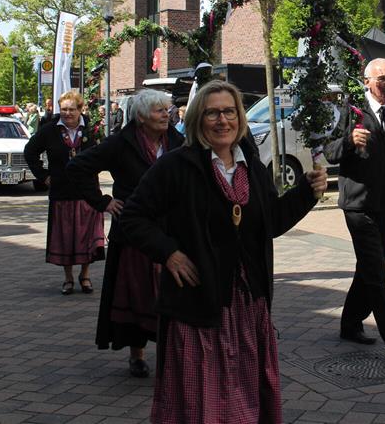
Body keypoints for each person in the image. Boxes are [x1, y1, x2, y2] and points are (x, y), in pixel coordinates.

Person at [120, 81, 327, 423]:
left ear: (239, 118)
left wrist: (305, 192)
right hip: (199, 303)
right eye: (212, 112)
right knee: (201, 396)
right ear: (198, 119)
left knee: (245, 388)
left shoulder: (253, 167)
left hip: (248, 304)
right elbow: (133, 216)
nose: (222, 120)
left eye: (229, 111)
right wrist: (169, 252)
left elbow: (270, 222)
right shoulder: (176, 167)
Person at [66, 89, 185, 379]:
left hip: (169, 230)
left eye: (166, 111)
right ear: (142, 116)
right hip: (133, 232)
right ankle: (137, 355)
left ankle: (175, 354)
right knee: (136, 295)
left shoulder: (177, 141)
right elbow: (77, 167)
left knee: (174, 293)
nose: (165, 115)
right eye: (159, 111)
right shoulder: (121, 143)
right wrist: (103, 201)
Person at [325, 58, 385, 356]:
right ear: (367, 82)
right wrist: (350, 140)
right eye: (382, 80)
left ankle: (350, 323)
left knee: (370, 267)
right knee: (377, 272)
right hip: (358, 203)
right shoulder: (352, 111)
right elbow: (329, 151)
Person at [24, 91, 104, 295]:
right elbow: (30, 151)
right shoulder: (50, 130)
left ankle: (85, 276)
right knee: (66, 237)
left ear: (80, 109)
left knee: (88, 237)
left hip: (88, 193)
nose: (67, 113)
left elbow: (104, 153)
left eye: (71, 109)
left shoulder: (92, 130)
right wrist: (44, 176)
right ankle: (68, 278)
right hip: (62, 192)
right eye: (64, 109)